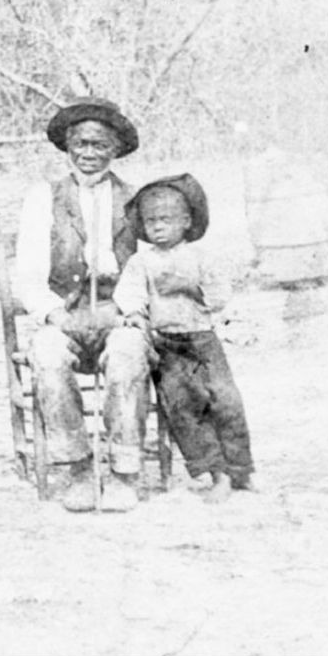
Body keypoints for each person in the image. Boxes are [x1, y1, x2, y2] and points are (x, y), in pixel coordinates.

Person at [13, 97, 150, 512]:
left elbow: (151, 268)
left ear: (116, 148)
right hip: (64, 312)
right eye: (81, 144)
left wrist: (132, 312)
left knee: (128, 354)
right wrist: (52, 313)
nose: (89, 154)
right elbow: (28, 274)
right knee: (47, 354)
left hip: (117, 312)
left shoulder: (136, 198)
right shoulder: (44, 197)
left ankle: (124, 472)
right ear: (67, 147)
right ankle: (75, 468)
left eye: (100, 145)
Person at [114, 173, 254, 502]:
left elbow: (220, 296)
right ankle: (216, 473)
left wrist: (191, 287)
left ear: (186, 221)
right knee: (183, 407)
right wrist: (135, 314)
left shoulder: (201, 256)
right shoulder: (141, 262)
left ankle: (242, 469)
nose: (158, 227)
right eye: (151, 221)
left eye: (166, 219)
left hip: (203, 342)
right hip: (167, 345)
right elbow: (129, 295)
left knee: (226, 400)